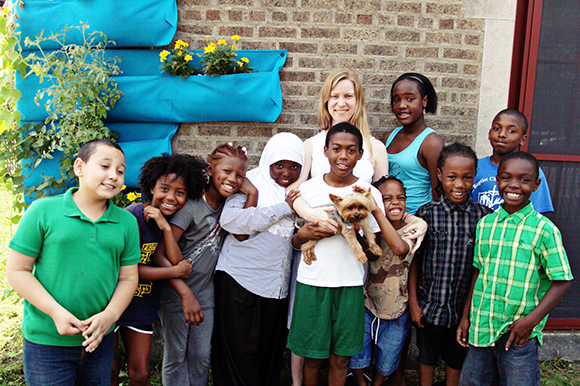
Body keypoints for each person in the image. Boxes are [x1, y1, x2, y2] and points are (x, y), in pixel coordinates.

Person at [6, 139, 141, 385]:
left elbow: (129, 277)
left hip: (99, 340)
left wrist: (110, 316)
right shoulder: (42, 211)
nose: (113, 176)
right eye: (105, 166)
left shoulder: (126, 222)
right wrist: (56, 312)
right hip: (46, 342)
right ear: (79, 167)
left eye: (120, 171)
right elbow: (17, 270)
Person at [212, 132, 321, 386]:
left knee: (267, 353)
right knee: (240, 353)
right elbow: (230, 220)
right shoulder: (251, 182)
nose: (286, 173)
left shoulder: (302, 193)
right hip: (240, 282)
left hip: (275, 289)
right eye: (279, 165)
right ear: (268, 162)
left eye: (295, 167)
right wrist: (285, 207)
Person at [457, 151, 573, 386]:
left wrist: (531, 321)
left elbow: (562, 281)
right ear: (497, 180)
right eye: (507, 178)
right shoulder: (485, 224)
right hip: (482, 325)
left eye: (524, 179)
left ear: (536, 184)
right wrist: (466, 317)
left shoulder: (544, 230)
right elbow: (479, 271)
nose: (514, 185)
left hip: (519, 331)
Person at [287, 122, 386, 386]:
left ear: (361, 154)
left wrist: (355, 230)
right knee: (311, 357)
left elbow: (373, 251)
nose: (343, 156)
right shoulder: (307, 191)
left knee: (341, 359)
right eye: (337, 149)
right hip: (313, 283)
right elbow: (295, 242)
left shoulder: (369, 194)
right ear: (325, 151)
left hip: (350, 285)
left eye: (351, 150)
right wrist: (305, 235)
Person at [153, 143, 249, 386]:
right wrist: (184, 292)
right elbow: (159, 254)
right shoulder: (191, 206)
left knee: (200, 356)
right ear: (209, 170)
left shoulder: (231, 206)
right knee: (176, 355)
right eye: (226, 172)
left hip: (205, 292)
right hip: (176, 292)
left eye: (240, 175)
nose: (233, 179)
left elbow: (242, 232)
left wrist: (254, 194)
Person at [111, 153, 208, 386]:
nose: (171, 197)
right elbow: (128, 271)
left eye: (180, 192)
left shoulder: (173, 222)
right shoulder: (133, 216)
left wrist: (165, 228)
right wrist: (174, 274)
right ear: (152, 186)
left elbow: (174, 260)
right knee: (109, 369)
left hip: (142, 304)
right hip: (111, 301)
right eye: (165, 188)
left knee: (141, 374)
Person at [408, 143, 493, 386]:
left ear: (474, 177)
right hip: (429, 306)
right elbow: (416, 261)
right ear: (440, 175)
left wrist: (468, 315)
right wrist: (414, 303)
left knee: (456, 361)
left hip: (461, 310)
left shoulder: (484, 218)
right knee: (426, 358)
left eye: (467, 178)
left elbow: (480, 268)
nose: (459, 185)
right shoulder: (426, 213)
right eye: (452, 177)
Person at [349, 176, 416, 386]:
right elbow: (369, 252)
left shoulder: (413, 227)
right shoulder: (371, 230)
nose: (395, 202)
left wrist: (378, 209)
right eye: (387, 198)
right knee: (358, 350)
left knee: (389, 354)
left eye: (401, 197)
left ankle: (377, 383)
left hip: (397, 308)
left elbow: (400, 248)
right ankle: (361, 382)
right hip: (367, 303)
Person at [470, 108, 554, 214]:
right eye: (496, 128)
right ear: (489, 133)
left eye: (512, 131)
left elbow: (540, 213)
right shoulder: (474, 167)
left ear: (523, 139)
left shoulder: (531, 170)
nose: (502, 134)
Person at [382, 72, 444, 215]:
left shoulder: (431, 143)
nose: (402, 105)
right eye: (396, 100)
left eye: (410, 99)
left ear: (424, 101)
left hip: (417, 219)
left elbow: (438, 193)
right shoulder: (389, 137)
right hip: (389, 219)